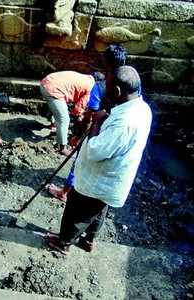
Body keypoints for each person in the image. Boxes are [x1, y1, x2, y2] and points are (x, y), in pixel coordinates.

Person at [46, 65, 152, 255]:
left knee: (77, 212)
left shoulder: (125, 122)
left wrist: (96, 122)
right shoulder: (142, 108)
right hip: (112, 182)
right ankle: (89, 241)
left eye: (108, 86)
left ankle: (63, 243)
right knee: (98, 210)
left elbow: (95, 151)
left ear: (117, 91)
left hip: (98, 180)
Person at [48, 44, 128, 202]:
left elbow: (89, 116)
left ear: (105, 62)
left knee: (80, 160)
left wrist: (77, 136)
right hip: (119, 130)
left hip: (99, 129)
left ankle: (65, 192)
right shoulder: (129, 82)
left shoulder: (100, 86)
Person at [40, 71, 95, 156]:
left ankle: (54, 125)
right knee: (64, 119)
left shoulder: (86, 78)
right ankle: (62, 148)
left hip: (46, 81)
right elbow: (78, 110)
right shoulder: (92, 88)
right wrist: (79, 122)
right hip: (53, 89)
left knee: (60, 107)